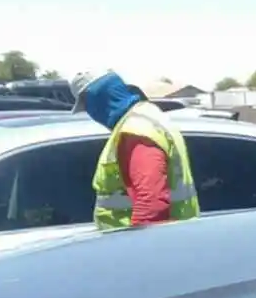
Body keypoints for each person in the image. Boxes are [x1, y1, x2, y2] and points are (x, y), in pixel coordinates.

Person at [68, 70, 200, 229]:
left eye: (87, 106)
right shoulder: (147, 115)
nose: (91, 114)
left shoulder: (136, 131)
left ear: (97, 99)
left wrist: (135, 250)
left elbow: (151, 205)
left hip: (139, 246)